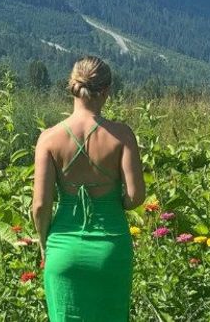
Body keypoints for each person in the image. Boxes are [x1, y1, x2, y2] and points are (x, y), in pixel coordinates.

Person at [33, 56, 145, 322]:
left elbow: (40, 206)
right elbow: (135, 196)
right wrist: (112, 203)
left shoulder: (49, 138)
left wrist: (43, 245)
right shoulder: (122, 135)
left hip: (63, 249)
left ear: (72, 87)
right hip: (110, 248)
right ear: (105, 91)